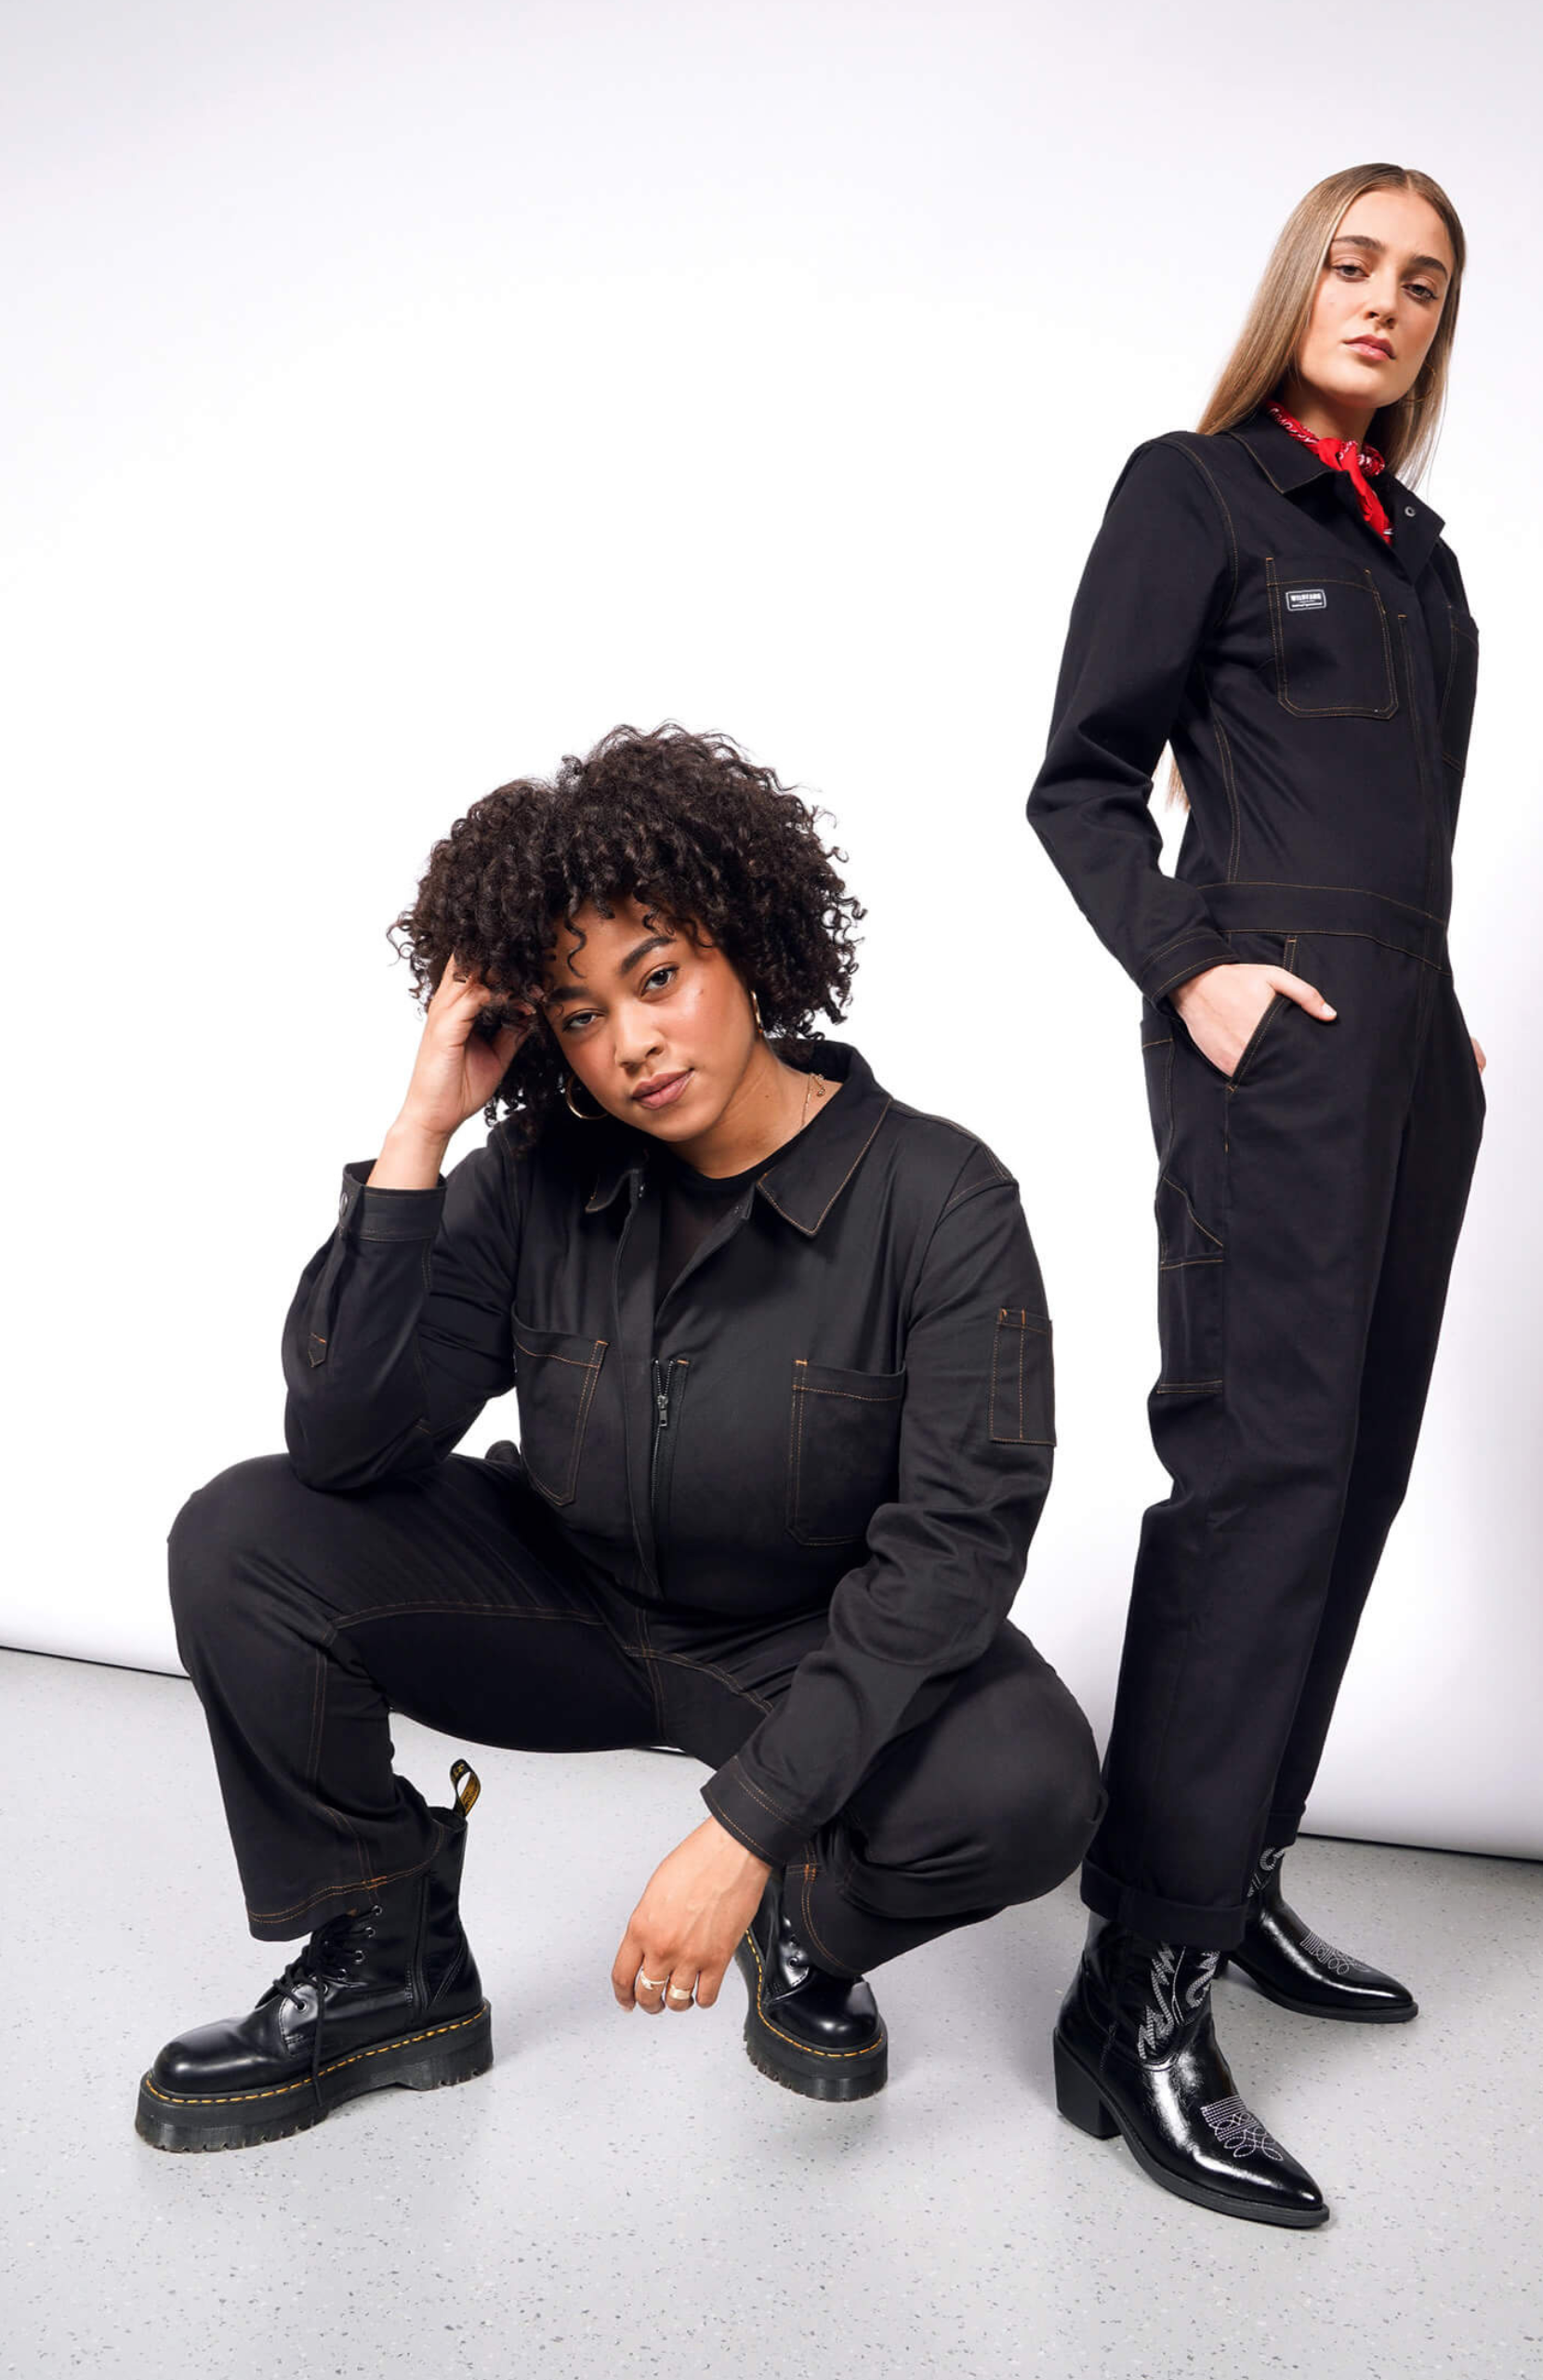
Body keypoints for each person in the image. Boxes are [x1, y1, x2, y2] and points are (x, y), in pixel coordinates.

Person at [138, 723, 1103, 2152]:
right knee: (242, 1535)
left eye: (657, 978)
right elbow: (343, 1440)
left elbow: (954, 1556)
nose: (630, 1044)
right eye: (580, 1015)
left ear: (749, 946)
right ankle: (384, 1961)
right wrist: (423, 1126)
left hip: (800, 1648)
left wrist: (749, 1834)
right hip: (567, 1608)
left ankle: (810, 1938)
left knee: (1031, 1783)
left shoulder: (942, 1199)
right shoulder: (536, 1174)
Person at [1026, 164, 1485, 2229]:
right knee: (1258, 1474)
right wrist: (1189, 965)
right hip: (1271, 1058)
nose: (1382, 303)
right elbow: (1080, 778)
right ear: (1298, 281)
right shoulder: (1195, 492)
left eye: (1422, 285)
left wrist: (1444, 1014)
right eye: (1356, 264)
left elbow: (1411, 833)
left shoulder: (1421, 559)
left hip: (1410, 1071)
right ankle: (1138, 1981)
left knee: (1355, 1474)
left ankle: (1234, 1872)